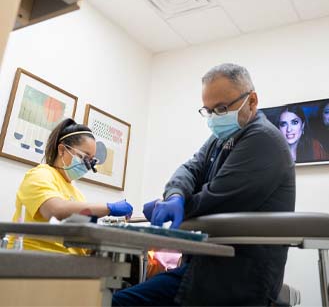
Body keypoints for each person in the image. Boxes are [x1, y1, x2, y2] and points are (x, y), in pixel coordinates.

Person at [112, 63, 296, 306]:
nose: (214, 118)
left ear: (252, 101)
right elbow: (190, 168)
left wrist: (168, 205)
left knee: (121, 302)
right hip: (205, 270)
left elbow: (217, 198)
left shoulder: (263, 139)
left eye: (221, 108)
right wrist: (175, 195)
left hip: (239, 279)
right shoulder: (221, 138)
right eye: (208, 111)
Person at [9, 118, 133, 254]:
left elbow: (83, 242)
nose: (87, 165)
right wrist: (109, 208)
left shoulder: (76, 194)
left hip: (71, 266)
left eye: (91, 161)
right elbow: (55, 210)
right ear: (62, 150)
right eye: (85, 158)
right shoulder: (39, 174)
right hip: (35, 262)